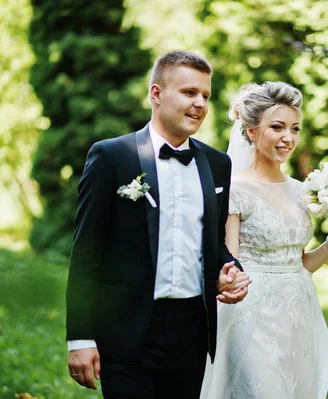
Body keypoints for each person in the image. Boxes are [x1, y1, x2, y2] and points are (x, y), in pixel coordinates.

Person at [66, 50, 252, 399]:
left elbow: (214, 244)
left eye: (206, 96)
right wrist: (80, 337)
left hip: (192, 329)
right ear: (156, 94)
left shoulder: (217, 164)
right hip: (127, 328)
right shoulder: (111, 156)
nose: (199, 103)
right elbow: (86, 251)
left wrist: (229, 270)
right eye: (189, 92)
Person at [200, 82, 328, 398]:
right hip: (252, 314)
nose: (288, 137)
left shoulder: (303, 191)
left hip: (299, 311)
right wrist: (227, 282)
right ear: (251, 132)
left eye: (295, 128)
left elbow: (300, 264)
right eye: (277, 127)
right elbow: (229, 262)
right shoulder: (236, 190)